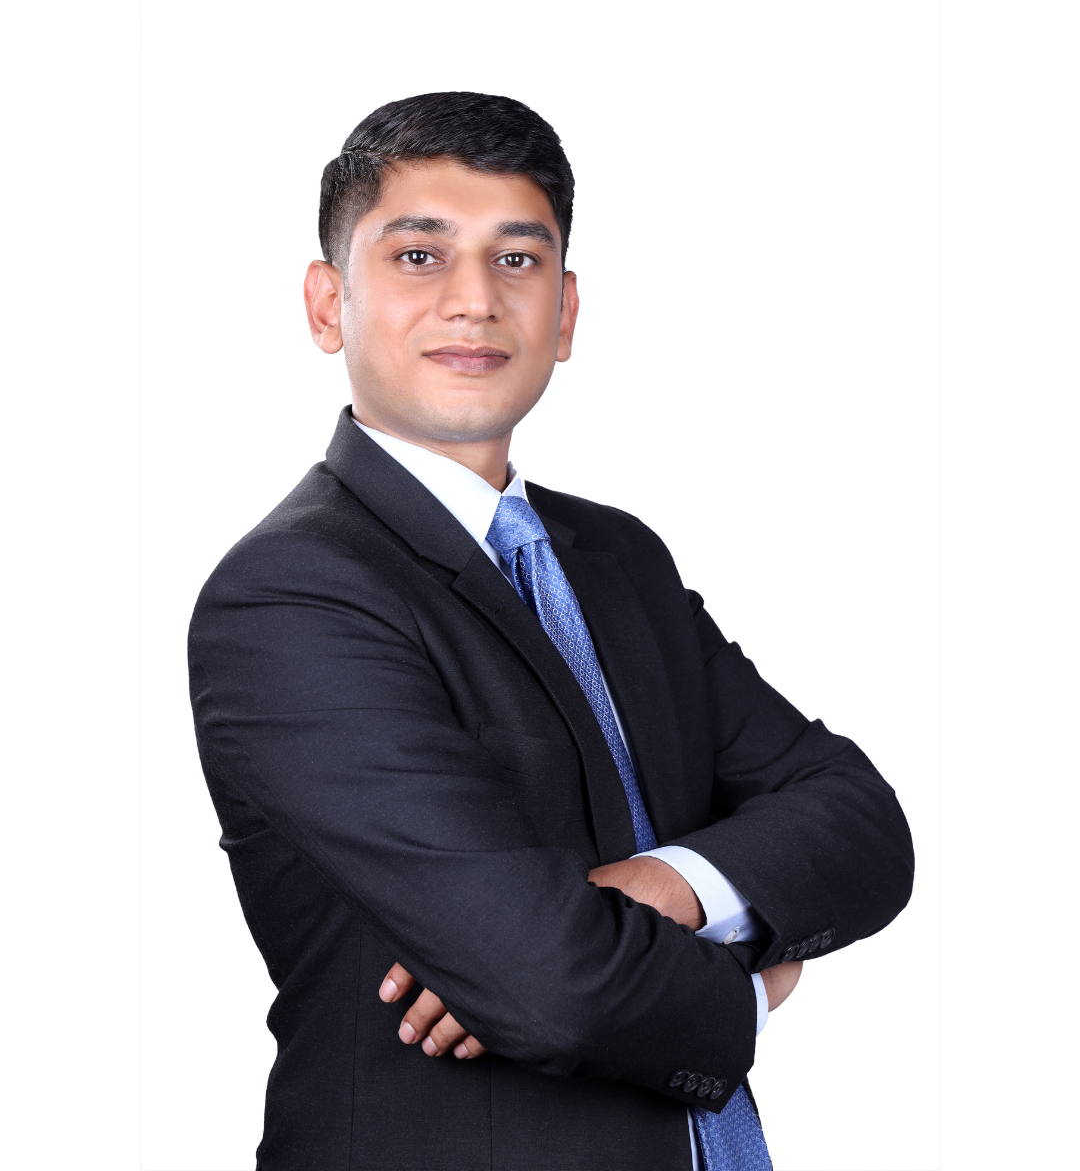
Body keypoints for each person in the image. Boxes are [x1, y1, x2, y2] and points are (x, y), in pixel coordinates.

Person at [188, 91, 914, 1171]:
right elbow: (549, 986)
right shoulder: (292, 595)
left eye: (517, 260)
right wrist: (751, 988)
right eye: (420, 257)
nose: (474, 300)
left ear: (565, 312)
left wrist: (662, 885)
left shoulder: (619, 560)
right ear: (327, 304)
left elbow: (861, 824)